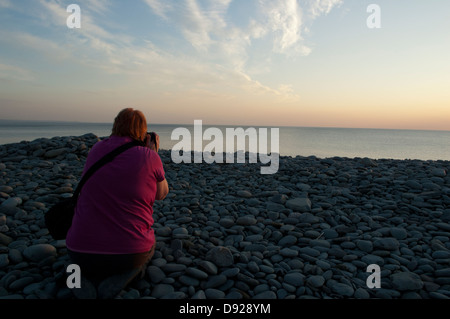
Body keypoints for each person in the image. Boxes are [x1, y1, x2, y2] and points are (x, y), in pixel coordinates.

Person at [66, 108, 169, 299]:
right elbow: (161, 194)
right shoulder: (149, 156)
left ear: (115, 125)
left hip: (80, 250)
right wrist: (153, 154)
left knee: (73, 262)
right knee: (149, 245)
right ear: (143, 131)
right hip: (129, 253)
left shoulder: (96, 149)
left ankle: (78, 283)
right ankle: (122, 279)